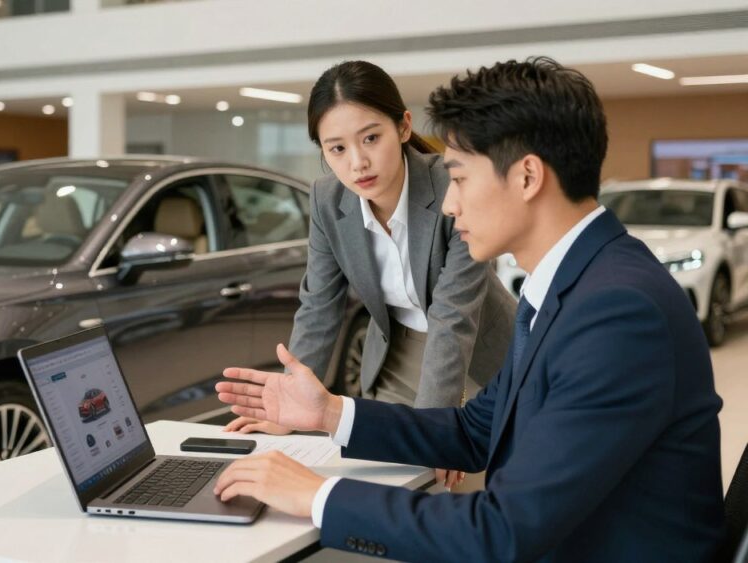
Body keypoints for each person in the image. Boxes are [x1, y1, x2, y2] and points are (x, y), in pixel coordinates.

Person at [213, 57, 724, 562]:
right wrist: (327, 412)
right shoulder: (575, 282)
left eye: (458, 178)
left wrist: (316, 496)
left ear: (526, 177)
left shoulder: (617, 314)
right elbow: (473, 430)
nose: (450, 205)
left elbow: (502, 532)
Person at [225, 60, 515, 489]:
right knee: (388, 486)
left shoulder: (450, 185)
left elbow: (455, 319)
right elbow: (319, 304)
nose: (358, 162)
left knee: (464, 491)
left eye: (371, 138)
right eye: (337, 148)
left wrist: (438, 433)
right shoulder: (327, 199)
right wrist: (290, 401)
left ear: (403, 127)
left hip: (476, 354)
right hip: (394, 355)